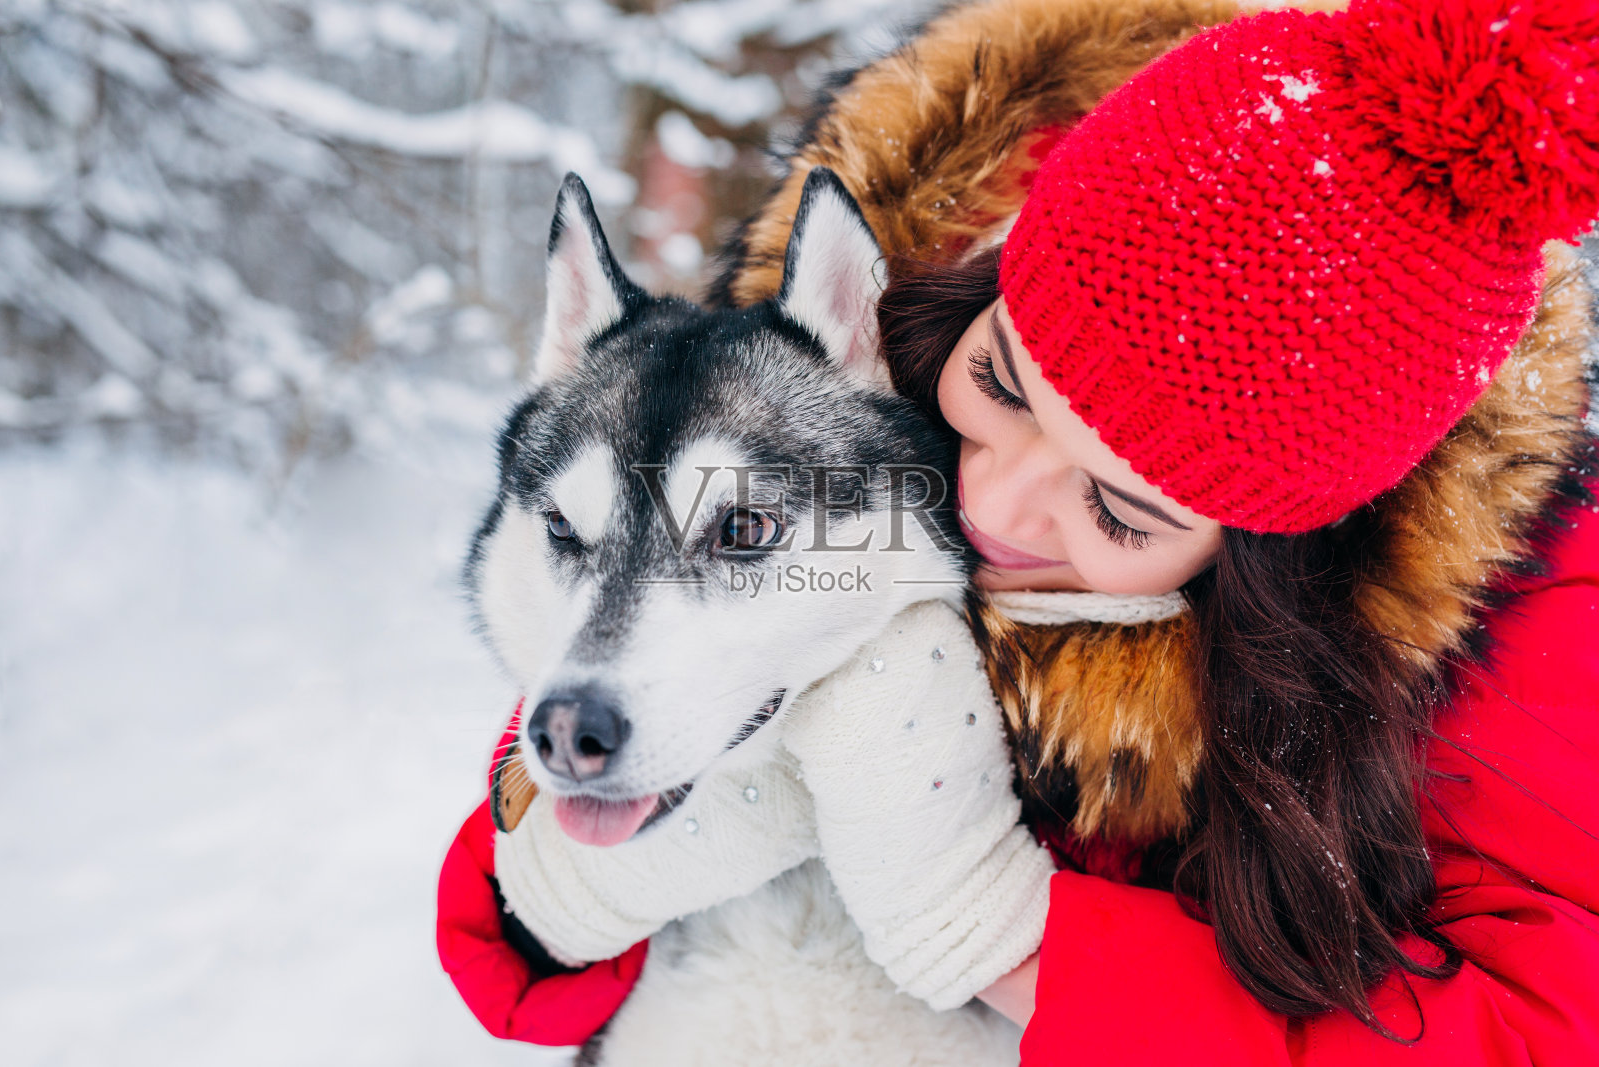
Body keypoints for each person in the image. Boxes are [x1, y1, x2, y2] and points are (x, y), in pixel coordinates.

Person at [437, 0, 1599, 1060]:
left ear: (1278, 551)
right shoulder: (851, 349)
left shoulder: (1534, 636)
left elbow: (1535, 1028)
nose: (990, 502)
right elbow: (522, 934)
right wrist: (613, 853)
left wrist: (991, 926)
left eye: (1116, 504)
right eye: (1002, 383)